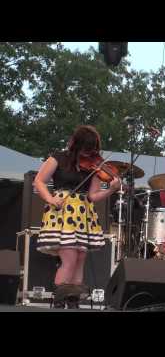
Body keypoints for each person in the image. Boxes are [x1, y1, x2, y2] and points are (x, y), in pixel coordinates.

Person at [34, 125, 121, 309]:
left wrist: (112, 189)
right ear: (76, 144)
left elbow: (93, 195)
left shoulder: (94, 165)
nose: (89, 154)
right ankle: (58, 303)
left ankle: (72, 302)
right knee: (70, 258)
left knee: (80, 257)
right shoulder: (58, 157)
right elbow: (39, 181)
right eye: (86, 149)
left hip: (83, 213)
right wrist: (50, 198)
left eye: (92, 150)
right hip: (62, 212)